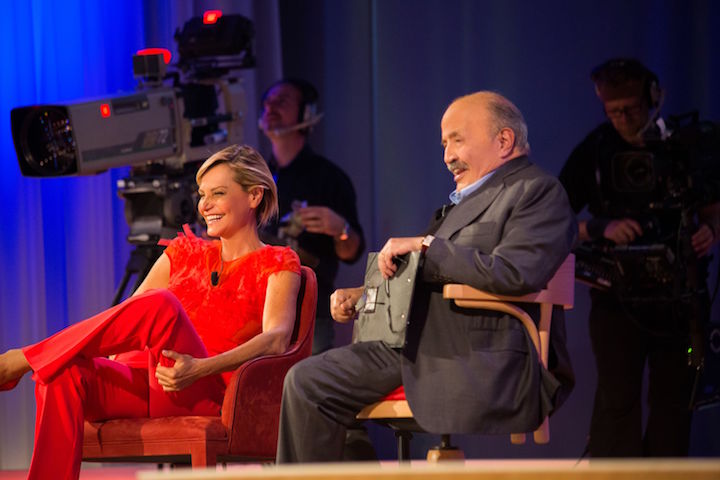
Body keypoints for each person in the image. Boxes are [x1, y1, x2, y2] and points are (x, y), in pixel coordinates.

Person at [276, 91, 578, 462]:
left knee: (309, 385)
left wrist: (427, 245)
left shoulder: (537, 191)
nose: (447, 156)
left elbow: (517, 273)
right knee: (309, 382)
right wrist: (364, 294)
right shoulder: (463, 203)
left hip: (475, 352)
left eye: (457, 140)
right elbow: (422, 274)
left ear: (503, 141)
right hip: (419, 344)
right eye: (444, 144)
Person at [0, 145, 302, 480]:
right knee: (61, 373)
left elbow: (276, 339)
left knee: (162, 304)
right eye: (202, 194)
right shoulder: (183, 252)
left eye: (218, 193)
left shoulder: (277, 261)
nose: (205, 205)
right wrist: (106, 362)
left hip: (206, 388)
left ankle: (24, 358)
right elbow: (128, 316)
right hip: (146, 382)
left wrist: (200, 368)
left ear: (255, 195)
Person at [558, 58, 720, 457]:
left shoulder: (684, 147)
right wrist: (600, 227)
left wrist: (710, 230)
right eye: (613, 111)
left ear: (653, 98)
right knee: (617, 400)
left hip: (680, 302)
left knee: (675, 404)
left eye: (630, 109)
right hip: (618, 300)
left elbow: (713, 207)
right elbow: (553, 221)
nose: (623, 119)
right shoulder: (596, 151)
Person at [258, 78, 365, 354]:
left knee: (306, 380)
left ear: (306, 112)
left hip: (309, 313)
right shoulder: (256, 176)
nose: (271, 108)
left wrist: (340, 228)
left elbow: (352, 251)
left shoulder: (328, 178)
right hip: (256, 308)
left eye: (281, 101)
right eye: (268, 102)